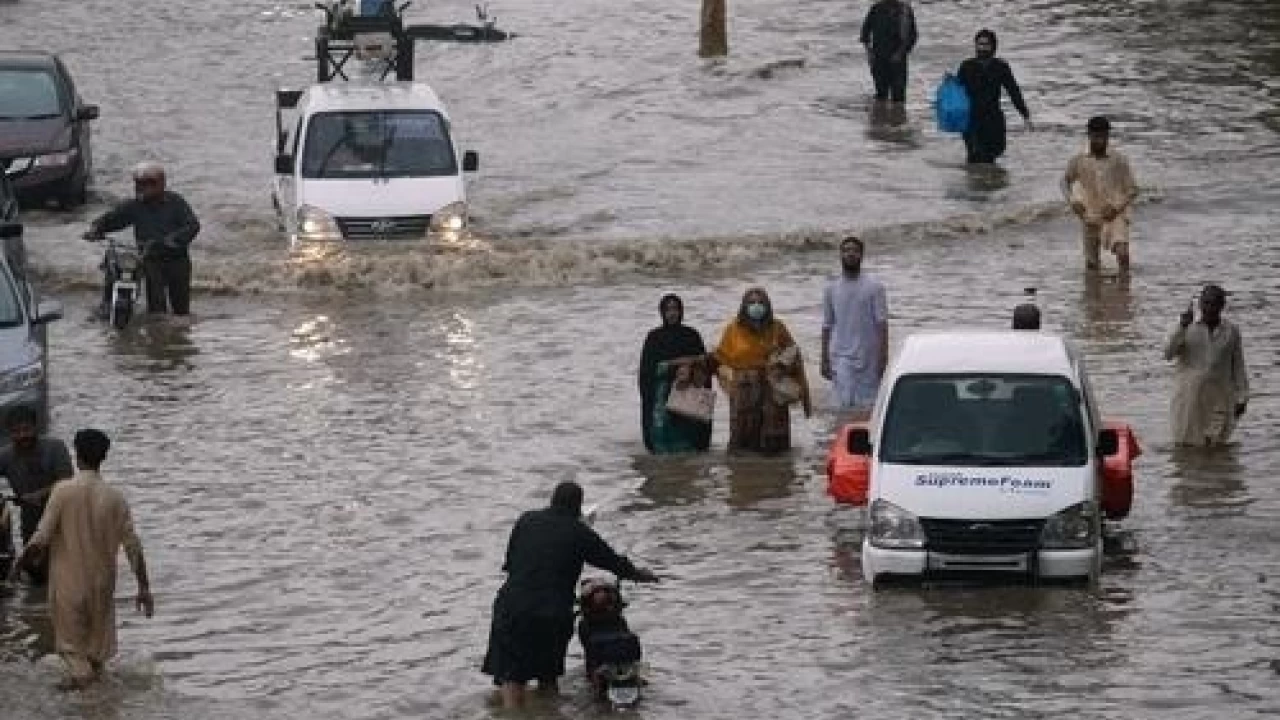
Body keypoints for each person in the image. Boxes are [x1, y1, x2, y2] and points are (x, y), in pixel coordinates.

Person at [482, 481, 657, 710]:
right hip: (552, 614)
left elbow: (510, 564)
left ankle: (512, 713)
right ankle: (548, 714)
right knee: (548, 677)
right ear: (579, 507)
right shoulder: (580, 533)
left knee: (512, 677)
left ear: (552, 500)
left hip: (512, 608)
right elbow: (612, 561)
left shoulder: (526, 521)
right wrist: (638, 574)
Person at [9, 429, 153, 687]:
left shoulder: (63, 491)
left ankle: (79, 702)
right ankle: (101, 709)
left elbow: (40, 537)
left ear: (77, 456)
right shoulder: (115, 498)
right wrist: (144, 587)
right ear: (104, 457)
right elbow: (133, 545)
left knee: (73, 655)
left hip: (68, 585)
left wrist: (19, 565)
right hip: (102, 585)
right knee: (97, 658)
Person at [84, 162, 200, 317]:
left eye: (148, 183)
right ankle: (157, 334)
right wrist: (96, 229)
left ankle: (180, 335)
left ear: (161, 183)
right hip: (150, 259)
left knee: (181, 309)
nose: (142, 187)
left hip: (177, 259)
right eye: (139, 183)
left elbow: (192, 225)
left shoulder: (176, 202)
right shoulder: (134, 206)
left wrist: (173, 240)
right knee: (157, 307)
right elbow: (112, 219)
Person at [712, 288, 813, 452]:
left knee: (774, 448)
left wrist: (784, 370)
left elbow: (794, 356)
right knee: (743, 447)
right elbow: (721, 362)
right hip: (744, 394)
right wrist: (730, 386)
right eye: (751, 303)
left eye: (760, 302)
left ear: (767, 306)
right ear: (744, 306)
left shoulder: (777, 328)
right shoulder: (733, 330)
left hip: (772, 394)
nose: (756, 306)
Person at [1163, 285, 1249, 447]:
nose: (1210, 308)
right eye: (1206, 303)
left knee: (1217, 449)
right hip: (1189, 400)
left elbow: (1238, 365)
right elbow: (1168, 353)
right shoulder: (1184, 326)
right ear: (1200, 304)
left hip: (1220, 399)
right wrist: (1181, 327)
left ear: (1222, 306)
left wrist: (1243, 396)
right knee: (1186, 448)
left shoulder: (1231, 331)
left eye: (1215, 304)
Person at [0, 405, 74, 585]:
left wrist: (39, 494)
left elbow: (68, 480)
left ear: (36, 428)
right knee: (35, 573)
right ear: (9, 433)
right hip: (31, 520)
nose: (22, 435)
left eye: (27, 429)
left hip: (62, 516)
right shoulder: (5, 456)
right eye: (16, 431)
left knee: (66, 571)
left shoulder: (55, 447)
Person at [820, 236, 889, 413]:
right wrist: (824, 360)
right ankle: (842, 435)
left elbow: (882, 324)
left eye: (854, 250)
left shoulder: (875, 287)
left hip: (869, 357)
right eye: (846, 250)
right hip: (840, 356)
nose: (850, 254)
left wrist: (883, 358)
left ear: (861, 255)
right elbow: (827, 325)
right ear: (840, 255)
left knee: (868, 405)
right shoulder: (831, 288)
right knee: (844, 402)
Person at [1063, 116, 1139, 273]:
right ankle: (1093, 292)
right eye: (1097, 137)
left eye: (1104, 137)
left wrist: (1116, 207)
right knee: (1091, 263)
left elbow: (1132, 189)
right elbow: (1064, 182)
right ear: (1089, 135)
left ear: (1108, 136)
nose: (1101, 141)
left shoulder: (1119, 160)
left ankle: (1124, 288)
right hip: (1089, 214)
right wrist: (1073, 201)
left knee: (1122, 252)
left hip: (1115, 213)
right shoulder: (1079, 160)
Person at [638, 294, 712, 454]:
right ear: (662, 312)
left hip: (688, 394)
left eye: (676, 309)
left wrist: (690, 367)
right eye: (668, 309)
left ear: (681, 311)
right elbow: (647, 371)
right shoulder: (654, 337)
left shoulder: (692, 335)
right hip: (661, 396)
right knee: (662, 448)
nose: (672, 313)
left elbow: (704, 366)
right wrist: (677, 364)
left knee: (690, 447)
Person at [956, 29, 1031, 164]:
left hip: (993, 118)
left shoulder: (1000, 67)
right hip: (972, 119)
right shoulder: (966, 66)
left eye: (986, 45)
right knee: (975, 156)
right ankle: (976, 181)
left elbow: (1013, 91)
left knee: (993, 154)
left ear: (993, 47)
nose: (982, 48)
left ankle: (988, 181)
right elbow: (957, 93)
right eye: (979, 44)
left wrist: (1024, 114)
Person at [859, 0, 918, 104]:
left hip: (899, 61)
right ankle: (881, 117)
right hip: (878, 58)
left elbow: (913, 36)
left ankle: (898, 117)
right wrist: (869, 53)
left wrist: (900, 53)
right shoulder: (876, 9)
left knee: (899, 97)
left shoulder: (905, 11)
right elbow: (865, 32)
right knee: (881, 94)